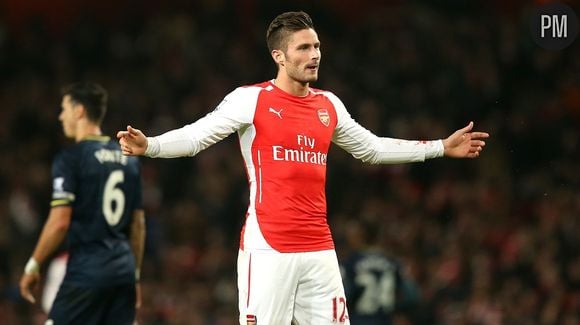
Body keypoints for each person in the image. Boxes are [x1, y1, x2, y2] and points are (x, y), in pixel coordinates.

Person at [117, 11, 489, 324]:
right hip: (268, 249)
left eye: (317, 47)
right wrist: (151, 145)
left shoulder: (329, 105)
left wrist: (440, 147)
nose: (315, 55)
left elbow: (372, 149)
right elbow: (197, 137)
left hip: (319, 249)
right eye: (304, 48)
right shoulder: (251, 100)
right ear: (279, 56)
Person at [19, 82, 146, 325]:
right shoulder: (128, 159)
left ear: (79, 111)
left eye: (64, 108)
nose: (60, 116)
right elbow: (138, 225)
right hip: (123, 273)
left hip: (88, 271)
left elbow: (59, 222)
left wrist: (33, 265)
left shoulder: (71, 159)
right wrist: (135, 275)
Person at [340, 219, 420, 325]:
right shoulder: (393, 263)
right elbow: (412, 295)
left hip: (359, 319)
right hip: (385, 320)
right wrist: (394, 307)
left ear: (361, 236)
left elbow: (344, 294)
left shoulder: (351, 263)